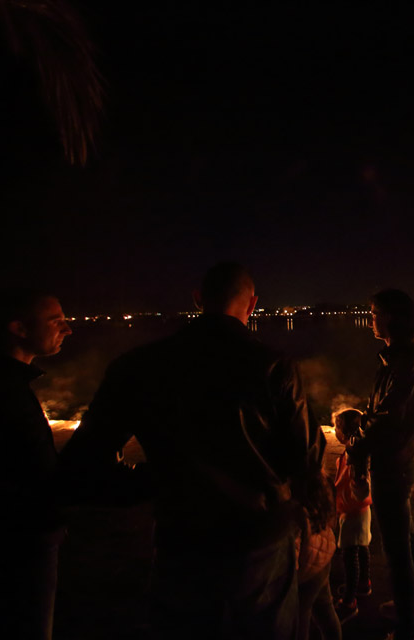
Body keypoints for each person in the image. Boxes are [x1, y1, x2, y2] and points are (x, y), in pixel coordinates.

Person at [59, 262, 323, 639]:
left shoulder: (137, 366)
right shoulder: (273, 365)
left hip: (182, 536)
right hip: (259, 535)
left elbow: (81, 465)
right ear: (252, 304)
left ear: (198, 299)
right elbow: (307, 456)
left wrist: (155, 481)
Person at [0, 288, 72, 640]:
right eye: (56, 320)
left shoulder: (5, 381)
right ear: (18, 328)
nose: (68, 329)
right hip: (16, 546)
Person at [350, 289, 414, 640]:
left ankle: (406, 625)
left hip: (393, 463)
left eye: (375, 312)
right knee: (406, 534)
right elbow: (381, 412)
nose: (371, 319)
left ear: (392, 318)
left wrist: (354, 442)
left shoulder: (405, 362)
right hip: (398, 460)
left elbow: (386, 418)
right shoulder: (397, 359)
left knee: (396, 549)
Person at [294, 441, 341, 640]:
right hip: (322, 560)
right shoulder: (322, 483)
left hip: (305, 572)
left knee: (299, 621)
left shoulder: (293, 500)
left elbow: (294, 548)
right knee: (325, 609)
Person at [332, 408, 374, 623]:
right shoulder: (354, 450)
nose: (334, 431)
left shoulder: (354, 454)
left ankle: (349, 602)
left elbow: (360, 485)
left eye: (336, 427)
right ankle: (363, 584)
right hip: (361, 510)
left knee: (350, 556)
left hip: (352, 511)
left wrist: (359, 485)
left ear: (346, 431)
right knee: (362, 547)